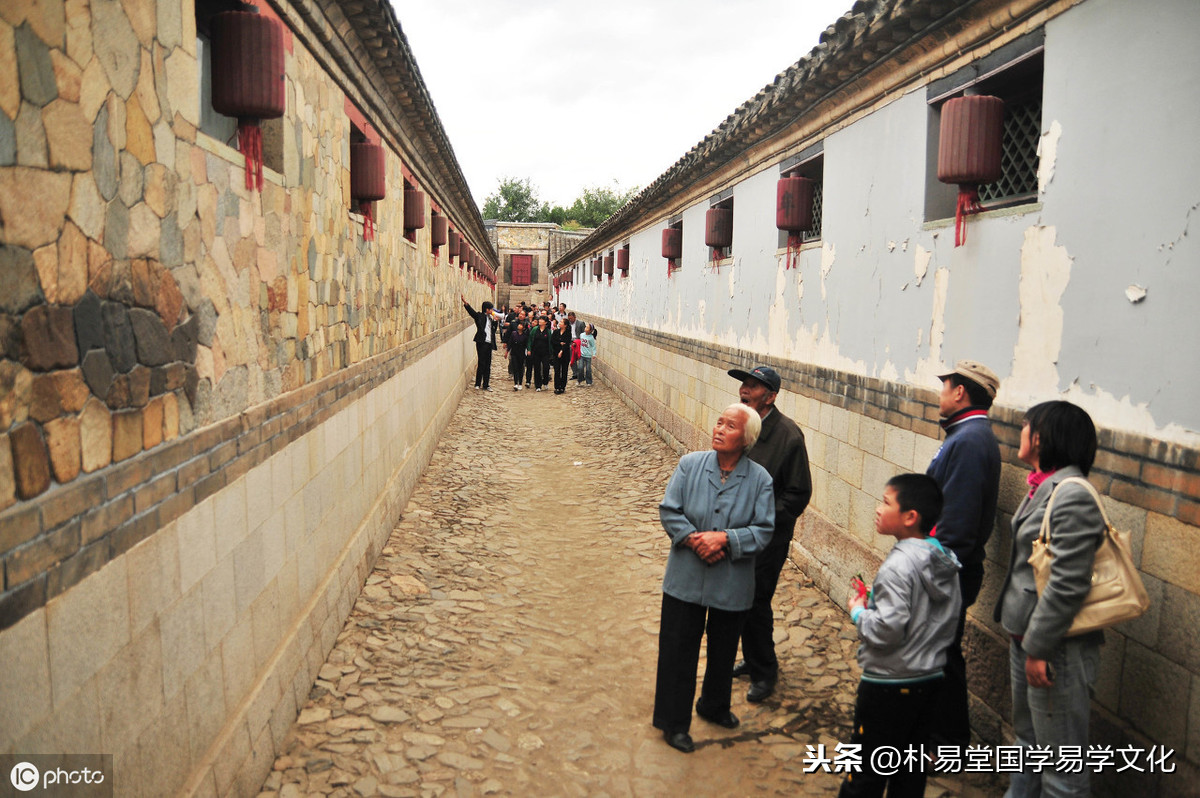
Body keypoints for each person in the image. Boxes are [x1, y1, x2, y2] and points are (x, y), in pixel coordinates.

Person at [995, 401, 1104, 798]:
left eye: (1025, 426)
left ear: (1041, 437)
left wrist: (1038, 648)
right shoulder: (1044, 484)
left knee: (1062, 770)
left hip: (1054, 647)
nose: (1020, 432)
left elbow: (1067, 584)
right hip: (1029, 640)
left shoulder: (1072, 494)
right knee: (1028, 745)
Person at [654, 404, 775, 754]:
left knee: (723, 650)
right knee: (678, 650)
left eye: (731, 426)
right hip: (685, 577)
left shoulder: (760, 480)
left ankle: (714, 705)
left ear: (747, 438)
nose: (720, 429)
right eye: (719, 422)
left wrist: (726, 540)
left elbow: (764, 529)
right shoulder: (690, 465)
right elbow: (670, 510)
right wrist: (695, 539)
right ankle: (673, 722)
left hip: (732, 580)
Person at [841, 473, 961, 798]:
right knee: (909, 774)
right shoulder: (943, 561)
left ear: (910, 517)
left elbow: (886, 630)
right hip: (930, 679)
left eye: (885, 502)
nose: (878, 509)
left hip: (888, 686)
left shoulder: (898, 567)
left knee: (865, 773)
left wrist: (858, 611)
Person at [924, 360, 1001, 746]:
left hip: (950, 570)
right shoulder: (964, 434)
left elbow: (957, 522)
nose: (940, 394)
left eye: (945, 386)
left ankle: (947, 740)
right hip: (947, 567)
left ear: (960, 392)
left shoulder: (970, 440)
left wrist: (930, 569)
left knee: (942, 656)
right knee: (938, 650)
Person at [727, 365, 812, 703]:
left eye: (753, 386)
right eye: (743, 385)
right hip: (736, 531)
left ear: (771, 396)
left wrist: (760, 519)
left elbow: (797, 494)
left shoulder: (788, 435)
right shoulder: (743, 426)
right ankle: (752, 657)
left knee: (756, 600)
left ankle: (765, 671)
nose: (743, 391)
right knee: (741, 597)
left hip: (768, 537)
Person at [462, 294, 500, 391]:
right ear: (486, 309)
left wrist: (495, 322)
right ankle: (478, 383)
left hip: (489, 343)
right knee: (481, 363)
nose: (492, 311)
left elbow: (493, 330)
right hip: (481, 342)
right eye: (490, 309)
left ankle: (486, 384)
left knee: (488, 364)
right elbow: (472, 312)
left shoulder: (492, 318)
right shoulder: (480, 316)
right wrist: (466, 304)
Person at [527, 315, 552, 392]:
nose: (540, 321)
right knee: (537, 368)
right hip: (536, 352)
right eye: (540, 320)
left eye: (542, 320)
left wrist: (551, 352)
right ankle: (538, 385)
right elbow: (530, 340)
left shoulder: (548, 331)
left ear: (546, 322)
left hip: (545, 352)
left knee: (546, 368)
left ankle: (545, 382)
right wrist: (529, 349)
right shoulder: (535, 329)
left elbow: (550, 342)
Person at [550, 318, 571, 394]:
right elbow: (552, 341)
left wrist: (562, 351)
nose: (560, 323)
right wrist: (560, 343)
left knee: (564, 371)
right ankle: (557, 387)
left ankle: (562, 386)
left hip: (565, 354)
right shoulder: (556, 332)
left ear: (565, 325)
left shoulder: (568, 333)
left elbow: (567, 343)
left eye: (562, 322)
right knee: (557, 370)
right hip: (556, 353)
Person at [506, 321, 528, 391]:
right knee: (515, 368)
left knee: (520, 368)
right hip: (514, 353)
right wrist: (507, 351)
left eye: (521, 325)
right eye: (519, 324)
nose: (519, 326)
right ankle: (515, 383)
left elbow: (526, 345)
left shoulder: (525, 336)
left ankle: (520, 383)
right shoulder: (514, 334)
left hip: (521, 353)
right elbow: (510, 343)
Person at [567, 311, 586, 382]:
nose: (570, 320)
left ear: (575, 317)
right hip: (571, 342)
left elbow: (584, 334)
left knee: (580, 358)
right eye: (569, 319)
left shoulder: (581, 323)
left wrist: (578, 342)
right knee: (572, 359)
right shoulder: (568, 324)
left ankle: (581, 374)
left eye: (571, 318)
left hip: (578, 342)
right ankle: (575, 373)